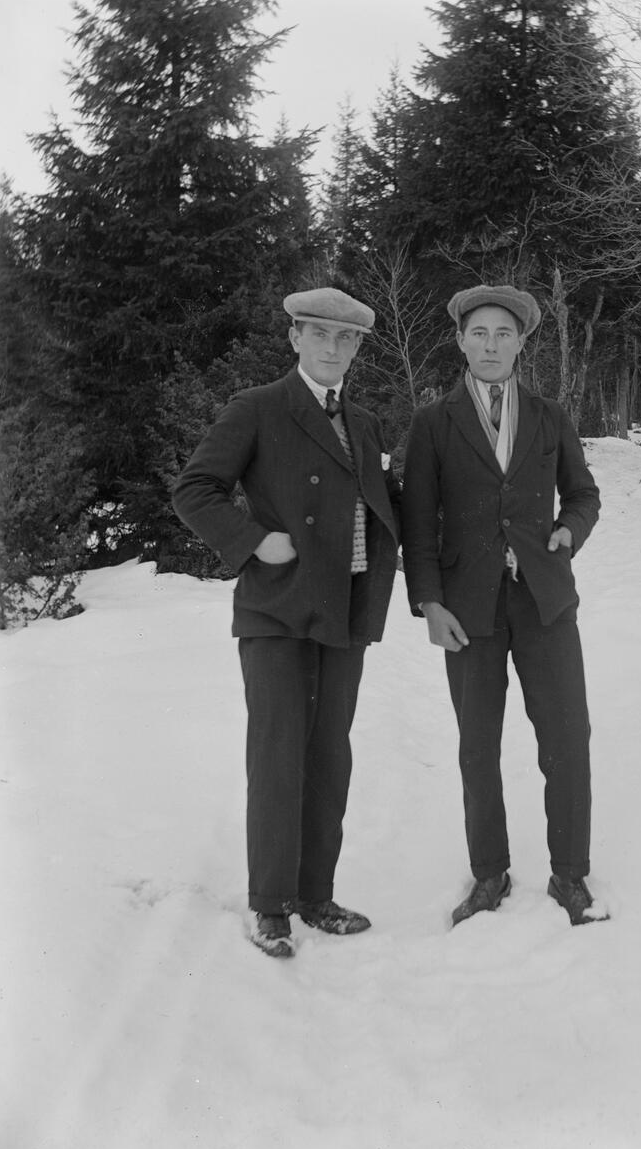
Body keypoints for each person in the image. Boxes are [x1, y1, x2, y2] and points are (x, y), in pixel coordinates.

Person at [173, 287, 400, 958]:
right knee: (278, 755)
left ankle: (315, 896)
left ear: (356, 350)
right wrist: (252, 542)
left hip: (346, 607)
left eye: (346, 339)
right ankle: (270, 905)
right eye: (320, 334)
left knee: (330, 754)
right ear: (295, 338)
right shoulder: (258, 407)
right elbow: (194, 490)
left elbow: (378, 503)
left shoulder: (364, 423)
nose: (333, 347)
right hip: (278, 607)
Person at [400, 284, 606, 927]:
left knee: (567, 738)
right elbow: (417, 522)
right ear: (461, 341)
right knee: (477, 746)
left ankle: (570, 875)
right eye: (479, 333)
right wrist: (430, 602)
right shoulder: (434, 422)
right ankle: (489, 874)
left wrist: (569, 529)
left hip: (545, 603)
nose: (491, 345)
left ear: (521, 344)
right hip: (470, 609)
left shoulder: (549, 415)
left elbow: (584, 494)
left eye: (504, 334)